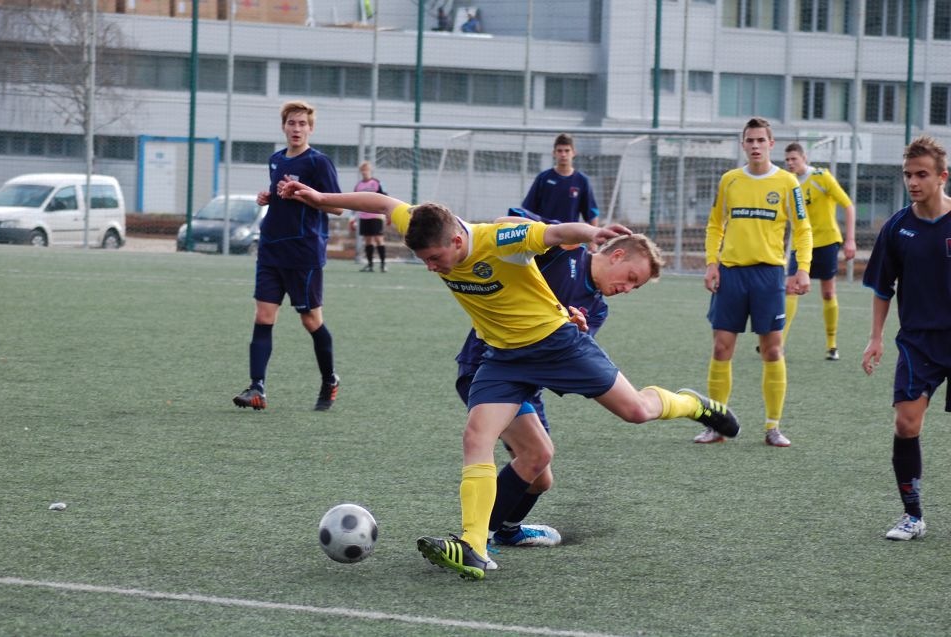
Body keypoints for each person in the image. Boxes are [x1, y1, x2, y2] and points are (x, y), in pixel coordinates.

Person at [278, 181, 741, 581]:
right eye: (425, 260)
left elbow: (556, 233)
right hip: (501, 357)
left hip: (556, 345)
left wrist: (592, 232)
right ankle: (473, 546)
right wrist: (319, 198)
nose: (433, 267)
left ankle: (692, 404)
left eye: (437, 258)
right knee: (478, 437)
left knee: (637, 411)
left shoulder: (501, 239)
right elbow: (381, 203)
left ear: (459, 241)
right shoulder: (427, 227)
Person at [455, 207, 656, 560]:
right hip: (490, 363)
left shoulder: (598, 309)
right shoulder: (566, 250)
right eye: (630, 277)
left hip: (530, 379)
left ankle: (504, 530)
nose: (627, 289)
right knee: (532, 454)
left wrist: (575, 328)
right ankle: (475, 540)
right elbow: (503, 226)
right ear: (618, 254)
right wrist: (577, 231)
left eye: (635, 287)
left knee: (540, 477)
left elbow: (566, 357)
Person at [698, 117, 812, 447]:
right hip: (732, 273)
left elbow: (803, 230)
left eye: (761, 140)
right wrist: (711, 264)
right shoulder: (729, 181)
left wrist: (802, 268)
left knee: (772, 349)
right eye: (750, 140)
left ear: (771, 144)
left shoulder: (788, 182)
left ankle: (773, 426)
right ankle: (716, 425)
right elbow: (714, 226)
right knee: (721, 346)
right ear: (743, 144)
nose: (756, 146)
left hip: (769, 275)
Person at [862, 135, 951, 541]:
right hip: (918, 341)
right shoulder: (897, 227)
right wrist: (876, 338)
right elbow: (884, 287)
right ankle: (912, 516)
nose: (913, 182)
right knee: (906, 423)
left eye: (921, 175)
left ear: (941, 177)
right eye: (907, 175)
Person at [232, 101, 343, 413]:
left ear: (311, 128)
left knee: (310, 321)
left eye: (303, 124)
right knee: (263, 316)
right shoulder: (275, 159)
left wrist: (304, 193)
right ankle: (257, 387)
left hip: (303, 253)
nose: (297, 129)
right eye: (292, 123)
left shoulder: (319, 163)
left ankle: (329, 380)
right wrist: (267, 198)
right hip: (271, 249)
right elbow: (281, 196)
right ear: (284, 126)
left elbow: (336, 206)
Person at [782, 142, 857, 360]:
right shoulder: (787, 183)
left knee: (827, 292)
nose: (790, 163)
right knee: (790, 288)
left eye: (794, 158)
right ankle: (779, 342)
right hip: (800, 244)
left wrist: (850, 240)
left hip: (826, 241)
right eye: (787, 160)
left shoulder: (822, 177)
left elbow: (848, 205)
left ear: (804, 157)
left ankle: (832, 345)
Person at [523, 133, 600, 227]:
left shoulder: (582, 180)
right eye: (559, 151)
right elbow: (528, 210)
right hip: (545, 235)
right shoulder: (543, 178)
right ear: (554, 153)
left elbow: (592, 214)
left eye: (567, 151)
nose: (563, 154)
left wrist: (593, 239)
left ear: (573, 153)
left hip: (569, 237)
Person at [352, 161, 389, 273]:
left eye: (366, 169)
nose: (364, 172)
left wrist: (387, 214)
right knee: (368, 240)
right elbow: (354, 201)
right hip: (364, 216)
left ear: (370, 170)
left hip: (376, 215)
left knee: (379, 239)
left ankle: (383, 264)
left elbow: (385, 197)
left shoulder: (377, 183)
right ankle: (370, 265)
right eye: (363, 170)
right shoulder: (358, 185)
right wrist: (352, 217)